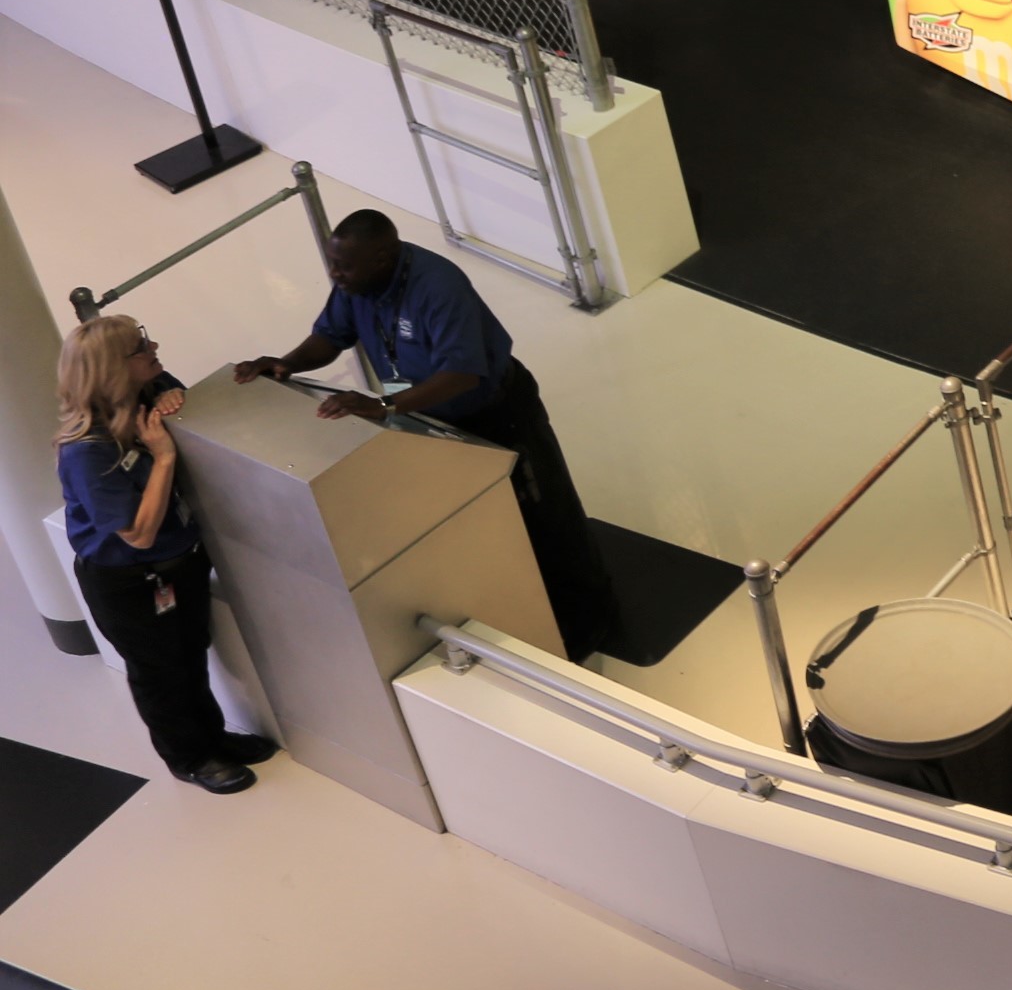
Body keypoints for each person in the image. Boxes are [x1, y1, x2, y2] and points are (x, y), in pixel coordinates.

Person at [237, 211, 618, 659]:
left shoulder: (439, 288)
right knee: (488, 520)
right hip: (430, 419)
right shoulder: (356, 285)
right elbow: (330, 335)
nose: (334, 275)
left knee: (544, 515)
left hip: (496, 415)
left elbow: (462, 375)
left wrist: (385, 406)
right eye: (332, 263)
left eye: (344, 266)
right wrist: (286, 364)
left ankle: (591, 622)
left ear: (382, 258)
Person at [55, 315, 276, 794]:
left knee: (191, 653)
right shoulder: (87, 449)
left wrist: (174, 396)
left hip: (182, 561)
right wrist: (164, 456)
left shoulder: (148, 389)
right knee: (160, 673)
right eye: (140, 348)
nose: (153, 346)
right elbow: (138, 533)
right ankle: (188, 757)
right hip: (131, 579)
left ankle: (213, 738)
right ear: (113, 369)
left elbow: (185, 403)